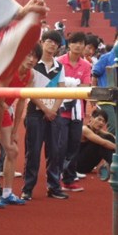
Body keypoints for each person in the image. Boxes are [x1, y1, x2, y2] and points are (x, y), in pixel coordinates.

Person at [21, 30, 67, 200]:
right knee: (32, 152)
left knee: (55, 151)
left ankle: (54, 186)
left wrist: (53, 110)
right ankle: (27, 188)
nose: (52, 45)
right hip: (35, 112)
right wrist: (45, 109)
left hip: (54, 114)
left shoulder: (59, 67)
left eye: (56, 42)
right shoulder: (33, 64)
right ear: (42, 42)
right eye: (49, 41)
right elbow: (29, 90)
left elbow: (62, 90)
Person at [57, 32, 92, 191]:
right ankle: (55, 177)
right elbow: (57, 86)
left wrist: (69, 86)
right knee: (60, 145)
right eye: (75, 42)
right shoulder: (59, 62)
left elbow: (86, 87)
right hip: (60, 111)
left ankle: (69, 178)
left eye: (81, 43)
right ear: (69, 44)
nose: (78, 46)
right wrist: (74, 86)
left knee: (73, 145)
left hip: (77, 112)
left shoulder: (86, 65)